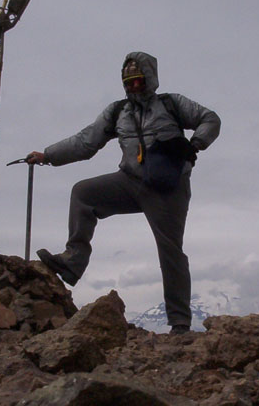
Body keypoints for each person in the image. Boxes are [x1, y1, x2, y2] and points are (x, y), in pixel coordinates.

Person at [26, 51, 221, 334]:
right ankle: (72, 262)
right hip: (129, 182)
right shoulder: (118, 111)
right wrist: (47, 155)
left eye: (139, 80)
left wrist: (195, 144)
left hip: (169, 188)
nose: (134, 86)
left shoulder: (171, 103)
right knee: (83, 193)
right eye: (129, 81)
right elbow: (86, 142)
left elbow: (211, 119)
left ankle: (180, 322)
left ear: (150, 79)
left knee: (170, 251)